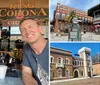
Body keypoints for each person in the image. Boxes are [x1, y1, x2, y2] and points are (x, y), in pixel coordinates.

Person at [19, 17, 49, 85]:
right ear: (22, 36)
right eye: (23, 30)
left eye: (30, 26)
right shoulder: (27, 48)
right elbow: (26, 72)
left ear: (40, 29)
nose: (27, 31)